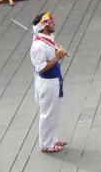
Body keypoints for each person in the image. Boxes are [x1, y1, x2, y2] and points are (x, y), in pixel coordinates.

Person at [30, 11, 68, 153]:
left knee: (55, 112)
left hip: (54, 80)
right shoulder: (38, 46)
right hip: (47, 82)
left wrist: (59, 55)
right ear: (44, 26)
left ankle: (52, 138)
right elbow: (40, 68)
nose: (54, 23)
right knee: (47, 114)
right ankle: (45, 144)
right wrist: (57, 57)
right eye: (51, 22)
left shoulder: (48, 37)